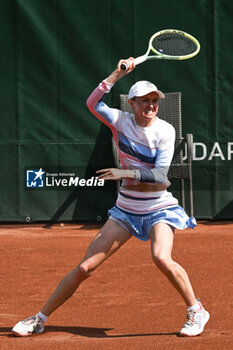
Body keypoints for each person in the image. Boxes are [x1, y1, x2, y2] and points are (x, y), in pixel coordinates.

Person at [12, 57, 209, 337]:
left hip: (158, 207)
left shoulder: (166, 130)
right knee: (84, 268)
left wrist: (124, 173)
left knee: (161, 257)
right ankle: (39, 319)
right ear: (132, 103)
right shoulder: (120, 120)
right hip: (126, 210)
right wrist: (116, 74)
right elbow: (92, 103)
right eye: (144, 101)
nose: (151, 105)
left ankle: (196, 310)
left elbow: (161, 176)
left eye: (155, 100)